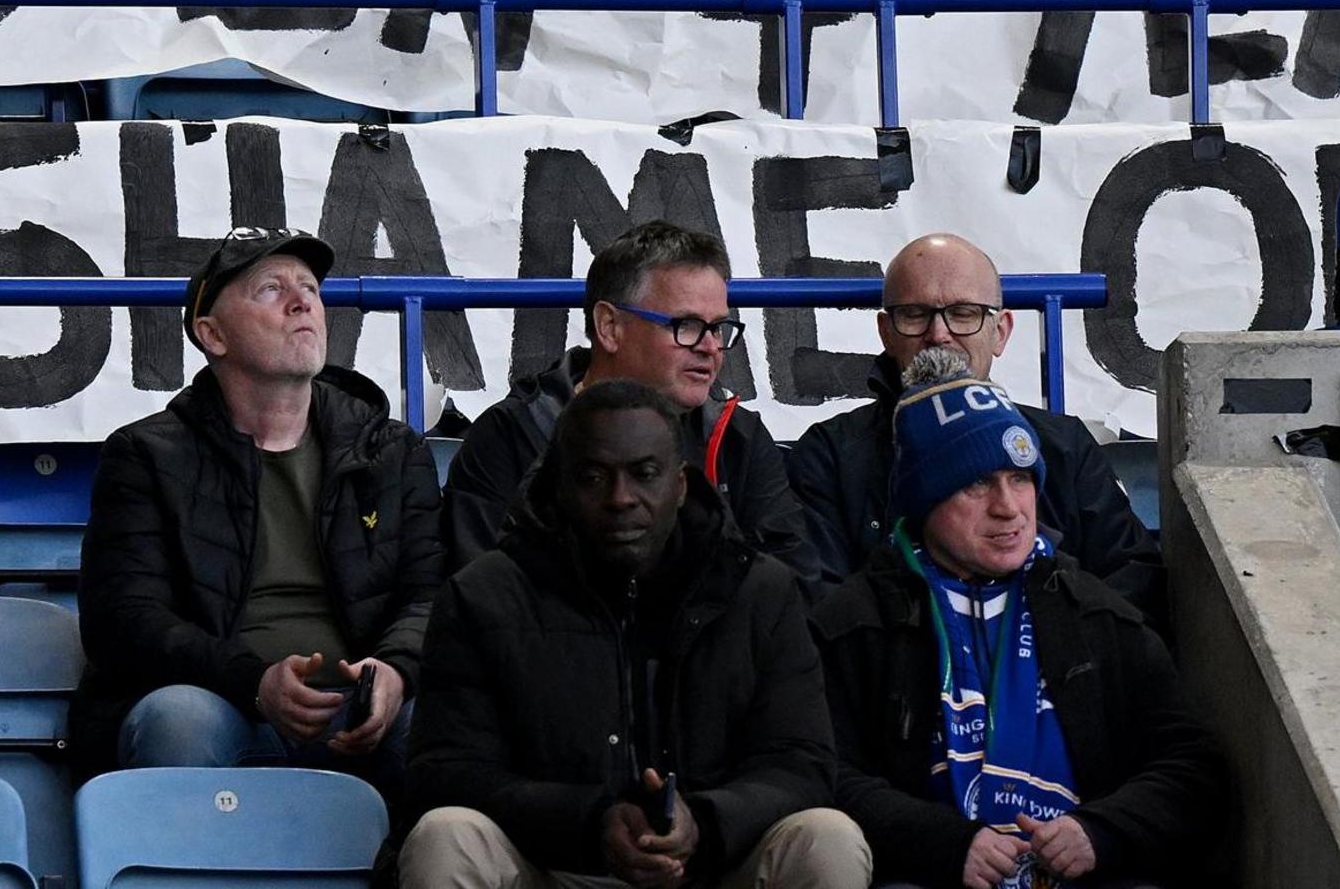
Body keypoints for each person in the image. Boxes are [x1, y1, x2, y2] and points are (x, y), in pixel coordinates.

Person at [401, 382, 868, 889]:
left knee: (829, 838)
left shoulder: (760, 591)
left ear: (682, 484)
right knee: (445, 836)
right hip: (554, 864)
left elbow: (803, 764)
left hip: (715, 866)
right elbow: (446, 771)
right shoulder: (484, 595)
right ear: (559, 486)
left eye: (644, 474)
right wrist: (590, 820)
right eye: (593, 477)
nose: (620, 498)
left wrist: (705, 823)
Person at [810, 352, 1229, 889]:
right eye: (976, 484)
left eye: (1020, 478)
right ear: (924, 499)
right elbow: (822, 771)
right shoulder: (853, 625)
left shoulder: (1098, 617)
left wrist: (1098, 832)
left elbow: (1193, 767)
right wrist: (945, 844)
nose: (1009, 507)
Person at [72, 226, 447, 775]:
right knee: (179, 719)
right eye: (271, 289)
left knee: (448, 726)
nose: (303, 302)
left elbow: (430, 595)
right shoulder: (146, 456)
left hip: (362, 707)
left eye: (311, 289)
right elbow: (126, 622)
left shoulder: (391, 450)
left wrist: (396, 672)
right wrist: (254, 683)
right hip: (223, 701)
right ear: (213, 334)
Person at [782, 235, 1156, 604]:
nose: (939, 335)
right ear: (886, 332)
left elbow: (1133, 591)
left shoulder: (1066, 447)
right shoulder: (829, 456)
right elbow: (819, 616)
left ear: (1001, 331)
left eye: (964, 313)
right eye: (914, 314)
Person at [443, 219, 811, 570]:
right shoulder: (509, 435)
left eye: (718, 328)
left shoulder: (739, 439)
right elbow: (483, 603)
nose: (710, 347)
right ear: (610, 327)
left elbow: (787, 597)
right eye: (687, 325)